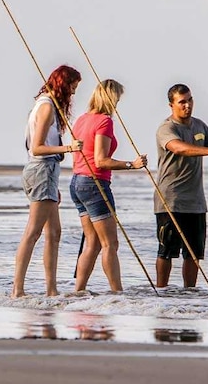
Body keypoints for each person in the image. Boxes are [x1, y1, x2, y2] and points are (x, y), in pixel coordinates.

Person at [154, 83, 208, 288]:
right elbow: (179, 148)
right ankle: (161, 291)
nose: (187, 105)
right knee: (167, 251)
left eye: (190, 100)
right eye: (182, 102)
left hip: (196, 201)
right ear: (171, 105)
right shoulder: (167, 128)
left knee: (193, 253)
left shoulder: (199, 125)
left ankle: (190, 296)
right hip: (170, 200)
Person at [70, 79, 147, 293]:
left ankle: (78, 291)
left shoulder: (81, 119)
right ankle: (117, 292)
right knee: (110, 244)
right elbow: (101, 160)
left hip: (77, 183)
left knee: (92, 242)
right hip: (94, 183)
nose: (117, 105)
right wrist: (133, 164)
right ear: (111, 98)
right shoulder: (104, 121)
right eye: (118, 100)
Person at [12, 65, 83, 298]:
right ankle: (17, 290)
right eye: (72, 89)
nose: (72, 94)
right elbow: (37, 147)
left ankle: (51, 290)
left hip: (48, 171)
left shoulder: (47, 105)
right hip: (41, 168)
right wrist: (69, 148)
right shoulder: (46, 107)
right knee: (33, 231)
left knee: (54, 232)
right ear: (63, 85)